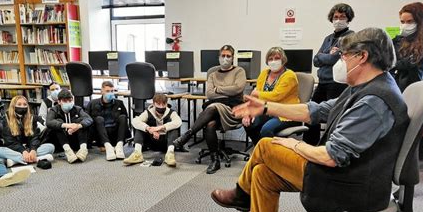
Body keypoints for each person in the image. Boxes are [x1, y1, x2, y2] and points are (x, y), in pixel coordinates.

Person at [211, 28, 409, 212]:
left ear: (363, 57)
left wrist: (295, 144)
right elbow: (316, 110)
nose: (341, 61)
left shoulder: (374, 101)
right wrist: (265, 108)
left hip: (355, 184)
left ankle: (242, 194)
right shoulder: (364, 87)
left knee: (265, 146)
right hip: (349, 174)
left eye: (345, 56)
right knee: (262, 173)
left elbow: (331, 156)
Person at [173, 44, 246, 174]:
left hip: (233, 109)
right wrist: (227, 90)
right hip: (216, 108)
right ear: (219, 57)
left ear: (233, 58)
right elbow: (209, 94)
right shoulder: (213, 74)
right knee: (210, 124)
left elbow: (238, 89)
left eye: (228, 56)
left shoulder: (239, 71)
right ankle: (215, 160)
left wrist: (218, 89)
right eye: (223, 56)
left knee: (212, 106)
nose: (225, 58)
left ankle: (187, 135)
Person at [304, 3, 355, 145]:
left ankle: (329, 147)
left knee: (334, 117)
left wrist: (324, 56)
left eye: (342, 17)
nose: (338, 20)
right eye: (335, 17)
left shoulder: (351, 37)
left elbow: (334, 58)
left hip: (337, 84)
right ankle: (309, 145)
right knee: (311, 114)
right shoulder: (328, 38)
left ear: (348, 19)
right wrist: (326, 56)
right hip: (323, 82)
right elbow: (315, 60)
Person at [243, 47, 300, 145]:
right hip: (268, 111)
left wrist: (256, 93)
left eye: (277, 58)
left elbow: (276, 96)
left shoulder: (290, 75)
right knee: (248, 123)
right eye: (270, 59)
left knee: (266, 129)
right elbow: (256, 98)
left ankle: (270, 155)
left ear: (283, 60)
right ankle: (260, 150)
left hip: (286, 114)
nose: (273, 61)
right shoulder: (264, 73)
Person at [390, 2, 423, 92]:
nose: (405, 25)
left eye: (409, 21)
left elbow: (410, 62)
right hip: (395, 87)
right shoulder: (399, 40)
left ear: (421, 22)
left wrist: (391, 63)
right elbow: (387, 56)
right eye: (402, 22)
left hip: (416, 88)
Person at [0, 95, 55, 167]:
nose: (22, 106)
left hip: (29, 147)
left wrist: (33, 150)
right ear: (13, 106)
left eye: (25, 104)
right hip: (15, 149)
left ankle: (16, 160)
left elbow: (35, 137)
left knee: (51, 147)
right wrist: (23, 151)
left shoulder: (31, 118)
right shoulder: (6, 119)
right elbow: (9, 141)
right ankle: (37, 159)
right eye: (19, 104)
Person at [124, 94, 182, 167]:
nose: (161, 107)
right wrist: (148, 128)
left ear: (166, 104)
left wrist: (160, 127)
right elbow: (135, 121)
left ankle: (170, 154)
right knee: (140, 127)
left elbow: (178, 122)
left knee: (174, 128)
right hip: (152, 141)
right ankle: (137, 153)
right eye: (158, 104)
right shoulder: (148, 112)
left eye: (163, 104)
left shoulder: (171, 112)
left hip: (166, 142)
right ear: (153, 104)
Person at [87, 81, 131, 161]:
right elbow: (88, 120)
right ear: (102, 91)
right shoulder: (92, 103)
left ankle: (119, 146)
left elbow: (125, 120)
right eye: (107, 91)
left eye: (112, 91)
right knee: (98, 119)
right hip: (101, 135)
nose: (110, 93)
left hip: (115, 134)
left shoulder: (119, 103)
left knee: (123, 117)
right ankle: (108, 147)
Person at [46, 89, 92, 163]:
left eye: (70, 100)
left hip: (76, 139)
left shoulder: (78, 109)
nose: (68, 103)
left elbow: (89, 119)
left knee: (81, 123)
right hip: (61, 142)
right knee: (58, 123)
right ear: (59, 101)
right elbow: (48, 122)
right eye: (65, 101)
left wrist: (78, 126)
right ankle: (68, 151)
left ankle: (83, 149)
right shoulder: (54, 110)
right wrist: (67, 125)